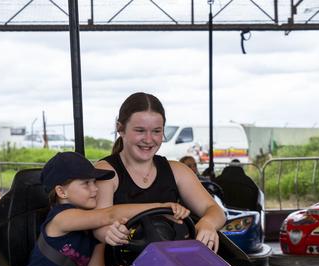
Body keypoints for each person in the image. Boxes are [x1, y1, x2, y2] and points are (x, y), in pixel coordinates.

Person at [17, 151, 190, 266]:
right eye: (86, 184)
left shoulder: (94, 230)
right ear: (62, 192)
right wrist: (161, 206)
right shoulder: (61, 218)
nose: (95, 189)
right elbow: (110, 214)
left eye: (94, 182)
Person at [94, 92, 226, 252]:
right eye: (140, 130)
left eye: (156, 131)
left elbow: (215, 210)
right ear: (120, 129)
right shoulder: (106, 171)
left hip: (172, 261)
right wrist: (110, 233)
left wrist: (208, 223)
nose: (149, 139)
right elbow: (97, 223)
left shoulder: (177, 170)